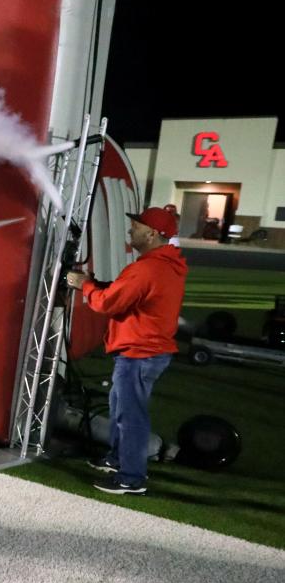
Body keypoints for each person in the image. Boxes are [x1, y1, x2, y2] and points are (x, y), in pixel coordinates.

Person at [66, 206, 188, 495]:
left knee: (130, 416)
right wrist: (96, 286)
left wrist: (85, 286)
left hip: (140, 352)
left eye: (136, 225)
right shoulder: (165, 263)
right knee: (120, 409)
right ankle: (118, 459)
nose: (131, 230)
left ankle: (131, 478)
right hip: (146, 351)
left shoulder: (147, 267)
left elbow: (109, 303)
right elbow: (132, 295)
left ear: (152, 233)